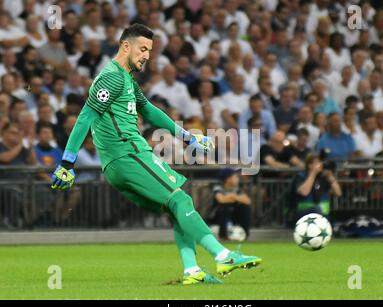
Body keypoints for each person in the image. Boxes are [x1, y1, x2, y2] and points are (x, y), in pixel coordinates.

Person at [50, 24, 261, 285]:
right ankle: (223, 254)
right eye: (142, 49)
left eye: (149, 50)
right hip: (128, 153)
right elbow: (85, 116)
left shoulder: (127, 79)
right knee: (181, 200)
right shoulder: (111, 77)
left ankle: (192, 271)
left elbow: (149, 110)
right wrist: (67, 161)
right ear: (125, 46)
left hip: (121, 161)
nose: (146, 55)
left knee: (176, 208)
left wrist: (188, 137)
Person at [288, 154, 342, 225]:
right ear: (309, 165)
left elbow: (338, 193)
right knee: (316, 210)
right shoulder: (301, 176)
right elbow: (304, 192)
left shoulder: (323, 178)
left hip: (323, 215)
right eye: (317, 163)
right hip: (303, 214)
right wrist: (313, 173)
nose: (320, 165)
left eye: (321, 163)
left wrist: (330, 176)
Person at [210, 168, 251, 240]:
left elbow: (247, 201)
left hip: (233, 214)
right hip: (218, 216)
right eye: (235, 177)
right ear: (228, 179)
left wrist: (233, 196)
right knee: (224, 208)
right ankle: (223, 236)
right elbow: (221, 199)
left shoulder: (237, 189)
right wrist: (237, 198)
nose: (237, 179)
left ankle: (245, 234)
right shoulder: (218, 187)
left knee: (245, 207)